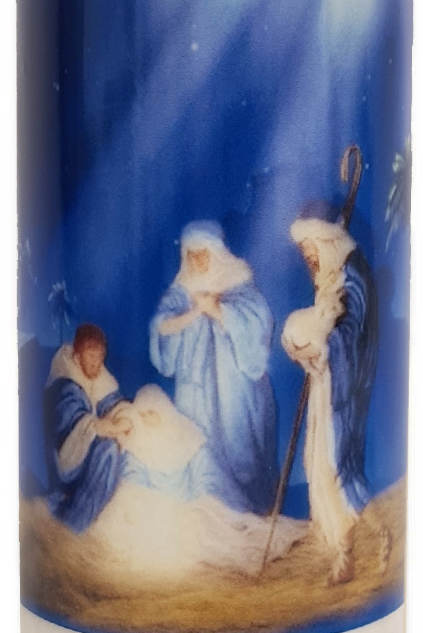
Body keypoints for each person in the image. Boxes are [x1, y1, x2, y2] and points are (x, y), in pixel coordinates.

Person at [149, 221, 278, 514]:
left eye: (203, 253)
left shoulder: (239, 282)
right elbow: (161, 326)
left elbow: (258, 323)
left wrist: (219, 311)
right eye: (191, 254)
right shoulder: (182, 290)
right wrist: (197, 311)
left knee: (238, 445)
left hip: (234, 386)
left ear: (216, 252)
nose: (197, 261)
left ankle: (247, 512)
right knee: (198, 447)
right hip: (195, 389)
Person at [281, 206, 379, 583]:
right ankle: (336, 544)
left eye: (312, 249)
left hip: (344, 391)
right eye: (304, 252)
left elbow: (353, 334)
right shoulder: (330, 276)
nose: (308, 258)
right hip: (327, 385)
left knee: (337, 464)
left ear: (326, 241)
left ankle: (363, 542)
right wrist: (307, 350)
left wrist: (322, 348)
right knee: (317, 461)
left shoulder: (352, 276)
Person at [43, 323, 132, 532]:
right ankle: (72, 524)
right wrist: (105, 427)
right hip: (67, 461)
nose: (97, 363)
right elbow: (75, 423)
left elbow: (112, 403)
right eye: (91, 356)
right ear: (77, 357)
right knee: (108, 450)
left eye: (100, 357)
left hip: (86, 455)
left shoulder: (99, 376)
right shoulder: (64, 383)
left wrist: (126, 416)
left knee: (122, 451)